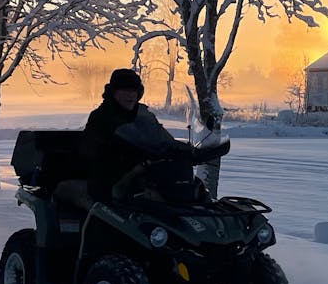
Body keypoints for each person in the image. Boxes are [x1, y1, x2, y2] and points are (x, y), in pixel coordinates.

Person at [79, 68, 225, 204]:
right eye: (124, 90)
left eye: (134, 90)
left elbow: (160, 137)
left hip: (147, 171)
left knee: (192, 193)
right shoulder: (103, 117)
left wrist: (188, 150)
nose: (130, 95)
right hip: (112, 176)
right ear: (114, 92)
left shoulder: (143, 115)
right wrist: (122, 153)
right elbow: (91, 149)